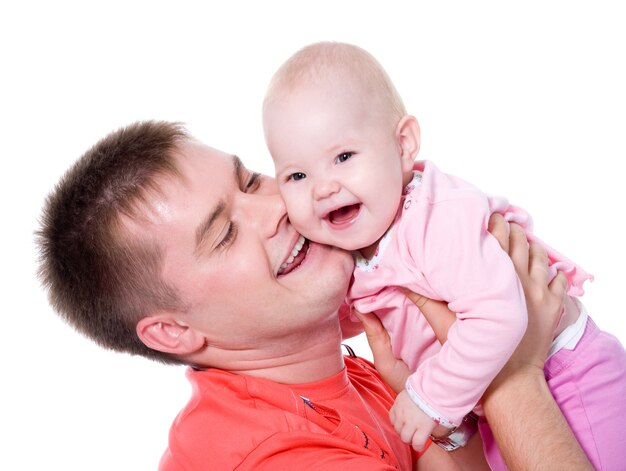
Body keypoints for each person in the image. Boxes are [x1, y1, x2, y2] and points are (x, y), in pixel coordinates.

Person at [36, 121, 592, 470]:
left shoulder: (351, 374)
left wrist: (439, 415)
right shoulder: (277, 457)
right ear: (174, 331)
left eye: (251, 181)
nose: (279, 207)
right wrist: (511, 377)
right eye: (226, 234)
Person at [262, 42, 626, 469]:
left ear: (403, 145)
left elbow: (500, 316)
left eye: (343, 156)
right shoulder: (351, 246)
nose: (322, 187)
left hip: (565, 376)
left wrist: (427, 397)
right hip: (488, 403)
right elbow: (339, 319)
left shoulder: (434, 218)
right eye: (297, 175)